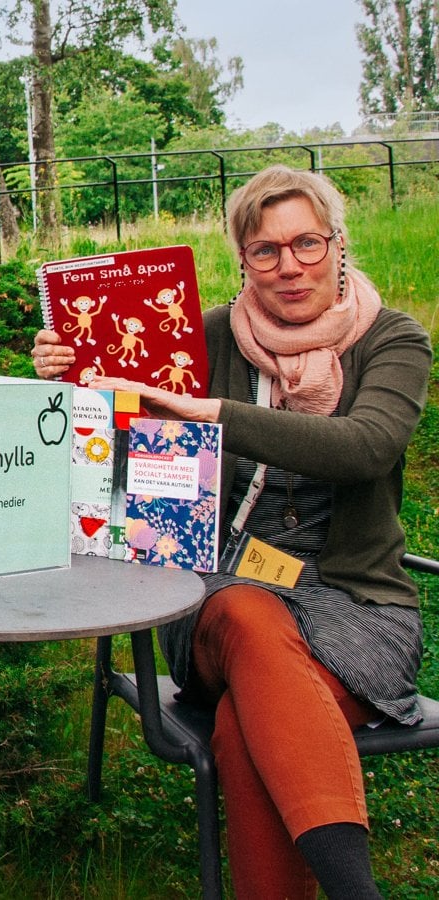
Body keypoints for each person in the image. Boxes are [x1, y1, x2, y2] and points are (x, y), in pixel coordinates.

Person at [33, 165, 431, 899]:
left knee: (247, 735)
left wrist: (211, 411)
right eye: (264, 250)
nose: (289, 266)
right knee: (249, 613)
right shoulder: (200, 337)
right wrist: (74, 379)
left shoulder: (393, 340)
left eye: (306, 243)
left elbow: (366, 447)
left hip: (357, 609)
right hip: (216, 594)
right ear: (241, 259)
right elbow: (116, 454)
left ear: (338, 245)